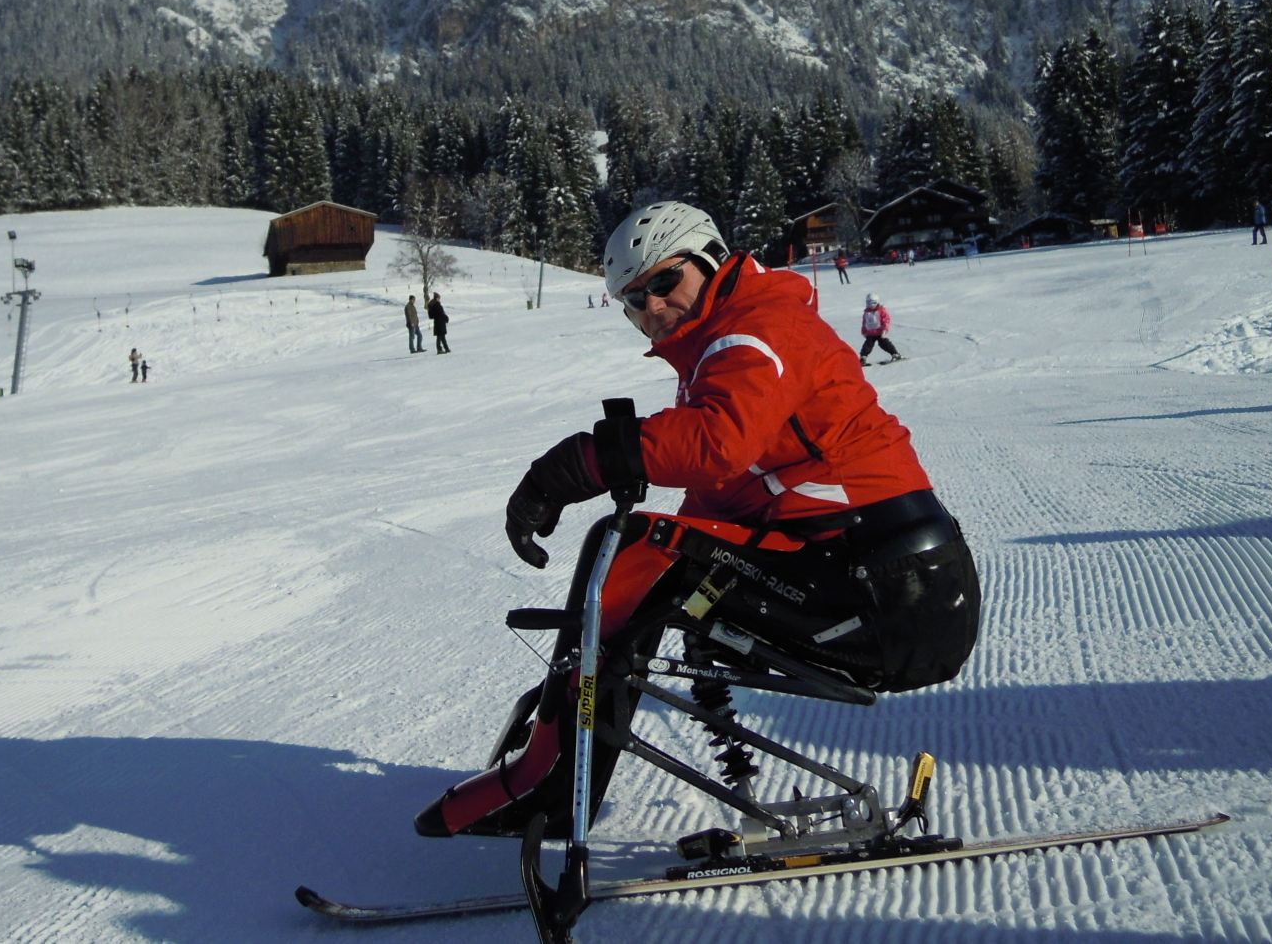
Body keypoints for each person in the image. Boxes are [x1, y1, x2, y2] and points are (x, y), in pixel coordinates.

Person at [414, 201, 978, 842]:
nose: (652, 306)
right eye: (634, 299)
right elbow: (717, 498)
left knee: (634, 545)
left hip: (889, 585)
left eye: (664, 281)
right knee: (650, 554)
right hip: (868, 573)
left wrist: (582, 463)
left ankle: (551, 777)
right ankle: (560, 766)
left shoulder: (757, 330)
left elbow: (720, 442)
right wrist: (687, 582)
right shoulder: (722, 349)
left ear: (710, 261)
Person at [859, 293, 902, 365]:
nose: (871, 305)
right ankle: (863, 357)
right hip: (870, 333)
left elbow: (886, 320)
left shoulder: (881, 311)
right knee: (868, 344)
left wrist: (885, 330)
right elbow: (864, 323)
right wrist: (864, 331)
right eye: (869, 303)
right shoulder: (866, 313)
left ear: (877, 302)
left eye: (874, 303)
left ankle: (895, 354)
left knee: (884, 343)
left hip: (880, 332)